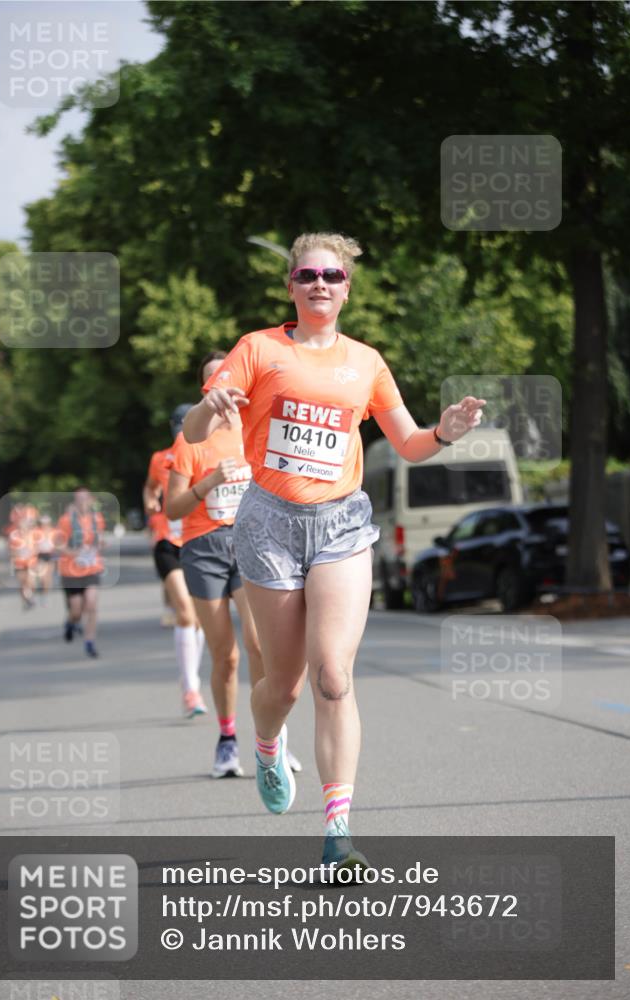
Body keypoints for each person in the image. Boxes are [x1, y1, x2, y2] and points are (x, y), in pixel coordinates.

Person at [184, 232, 485, 870]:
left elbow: (408, 443)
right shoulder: (259, 348)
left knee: (333, 677)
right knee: (283, 684)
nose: (321, 283)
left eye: (333, 275)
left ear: (348, 287)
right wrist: (207, 409)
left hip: (343, 524)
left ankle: (338, 831)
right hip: (269, 522)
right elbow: (195, 429)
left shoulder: (367, 362)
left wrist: (444, 433)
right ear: (291, 285)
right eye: (308, 274)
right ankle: (265, 743)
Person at [167, 352, 302, 780]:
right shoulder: (190, 441)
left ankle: (273, 739)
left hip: (252, 542)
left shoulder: (259, 429)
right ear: (205, 391)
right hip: (203, 547)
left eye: (230, 378)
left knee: (261, 644)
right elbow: (172, 506)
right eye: (214, 381)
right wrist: (209, 482)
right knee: (224, 655)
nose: (225, 386)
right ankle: (227, 741)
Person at [143, 406, 207, 717]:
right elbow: (150, 488)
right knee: (184, 610)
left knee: (198, 618)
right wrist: (152, 507)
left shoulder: (207, 453)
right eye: (179, 424)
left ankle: (189, 678)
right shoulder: (160, 459)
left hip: (198, 541)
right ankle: (191, 689)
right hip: (168, 542)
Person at [56, 488, 105, 658]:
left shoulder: (97, 519)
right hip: (70, 570)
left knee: (91, 604)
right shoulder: (66, 520)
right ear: (74, 502)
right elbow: (59, 544)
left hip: (91, 568)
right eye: (79, 499)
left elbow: (99, 540)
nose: (83, 502)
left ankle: (89, 641)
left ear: (91, 500)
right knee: (76, 610)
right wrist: (74, 552)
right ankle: (71, 623)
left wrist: (99, 547)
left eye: (85, 499)